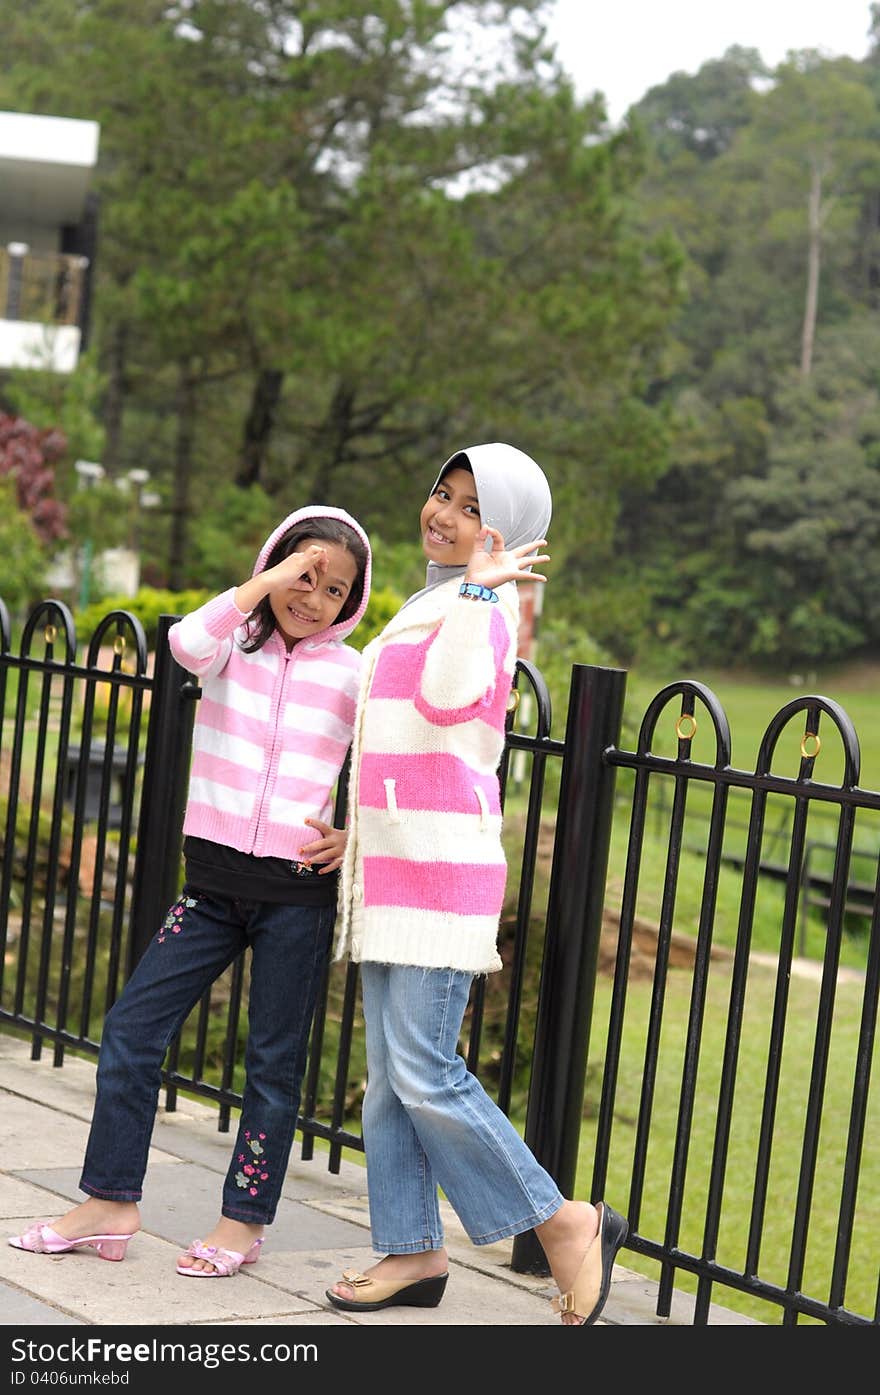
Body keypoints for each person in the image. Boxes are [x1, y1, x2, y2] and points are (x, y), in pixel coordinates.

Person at [8, 505, 372, 1278]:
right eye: (305, 577)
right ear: (276, 563)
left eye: (335, 591)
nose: (314, 599)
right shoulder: (230, 646)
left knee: (272, 1067)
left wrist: (359, 833)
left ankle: (243, 1221)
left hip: (297, 894)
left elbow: (383, 766)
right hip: (211, 888)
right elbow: (182, 643)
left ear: (353, 602)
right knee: (132, 1032)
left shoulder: (352, 673)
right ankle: (109, 1200)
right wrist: (266, 582)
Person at [318, 443, 627, 1327]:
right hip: (394, 869)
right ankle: (412, 1248)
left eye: (469, 506)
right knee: (389, 1079)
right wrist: (360, 835)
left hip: (440, 878)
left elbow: (452, 704)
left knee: (424, 1069)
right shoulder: (436, 599)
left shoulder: (482, 608)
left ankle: (564, 1220)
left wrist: (489, 587)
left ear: (506, 532)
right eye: (439, 494)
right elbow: (407, 753)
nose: (443, 513)